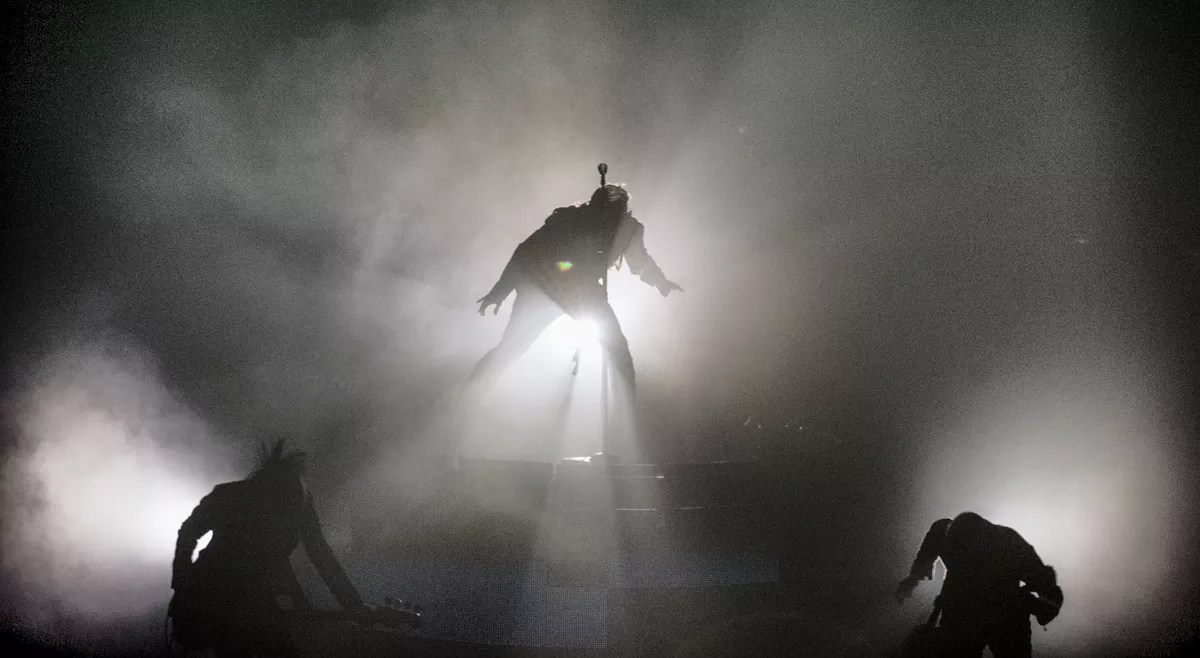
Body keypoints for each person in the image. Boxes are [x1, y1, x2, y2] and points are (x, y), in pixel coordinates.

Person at [471, 169, 682, 393]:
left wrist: (661, 282)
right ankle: (471, 391)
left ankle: (625, 408)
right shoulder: (569, 220)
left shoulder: (627, 230)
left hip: (582, 292)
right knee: (512, 347)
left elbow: (640, 260)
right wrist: (499, 291)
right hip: (544, 287)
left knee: (618, 349)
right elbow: (527, 251)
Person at [169, 440, 366, 656]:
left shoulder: (299, 503)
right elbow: (188, 533)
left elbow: (319, 554)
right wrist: (183, 584)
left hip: (255, 593)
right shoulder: (232, 496)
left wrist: (352, 604)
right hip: (217, 590)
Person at [895, 512, 1063, 658]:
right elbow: (1045, 582)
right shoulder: (947, 535)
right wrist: (914, 576)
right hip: (967, 610)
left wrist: (1045, 606)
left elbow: (1044, 583)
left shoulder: (1010, 545)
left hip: (1002, 614)